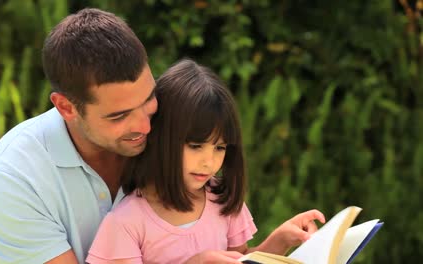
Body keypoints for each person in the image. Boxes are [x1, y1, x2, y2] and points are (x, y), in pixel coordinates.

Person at [86, 59, 325, 264]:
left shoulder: (223, 201)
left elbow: (241, 259)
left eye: (219, 147)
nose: (209, 162)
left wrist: (280, 240)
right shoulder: (126, 223)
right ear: (161, 137)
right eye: (195, 146)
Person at [0, 8, 157, 264]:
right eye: (118, 116)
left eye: (148, 100)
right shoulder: (11, 181)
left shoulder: (170, 128)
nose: (145, 127)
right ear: (66, 108)